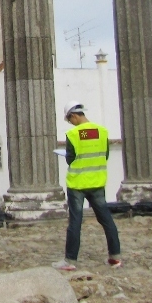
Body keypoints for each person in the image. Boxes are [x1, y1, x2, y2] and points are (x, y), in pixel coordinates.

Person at [53, 101, 122, 271]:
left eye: (70, 120)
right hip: (97, 182)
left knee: (75, 221)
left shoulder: (73, 134)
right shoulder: (102, 132)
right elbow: (104, 155)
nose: (70, 123)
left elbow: (70, 158)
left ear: (74, 116)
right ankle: (115, 257)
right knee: (106, 219)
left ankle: (70, 261)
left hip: (77, 183)